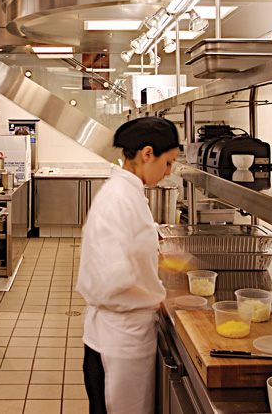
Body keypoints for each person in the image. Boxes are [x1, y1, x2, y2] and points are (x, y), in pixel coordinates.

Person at [76, 116, 181, 414]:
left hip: (121, 335)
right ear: (147, 154)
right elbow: (111, 279)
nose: (168, 172)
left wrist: (162, 262)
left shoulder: (129, 193)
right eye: (168, 162)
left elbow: (127, 251)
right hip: (118, 343)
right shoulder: (118, 198)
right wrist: (161, 299)